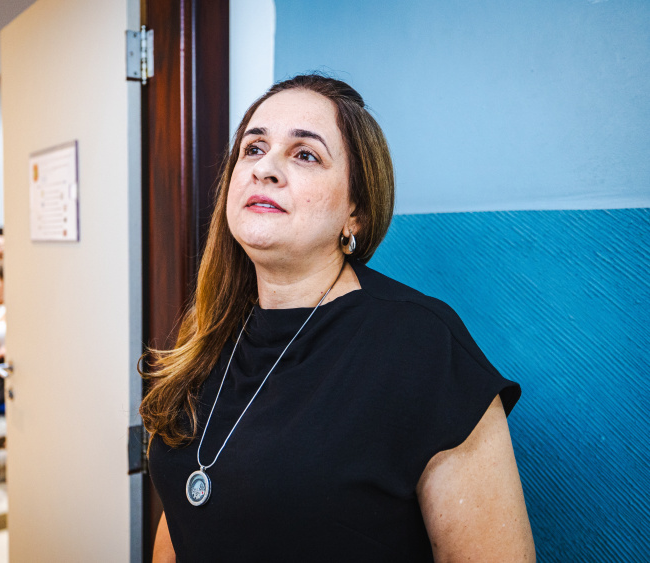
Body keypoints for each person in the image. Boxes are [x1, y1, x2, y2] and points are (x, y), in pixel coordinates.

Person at [140, 75, 535, 561]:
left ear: (356, 212)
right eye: (253, 148)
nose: (265, 168)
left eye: (305, 154)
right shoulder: (209, 334)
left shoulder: (423, 345)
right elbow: (183, 515)